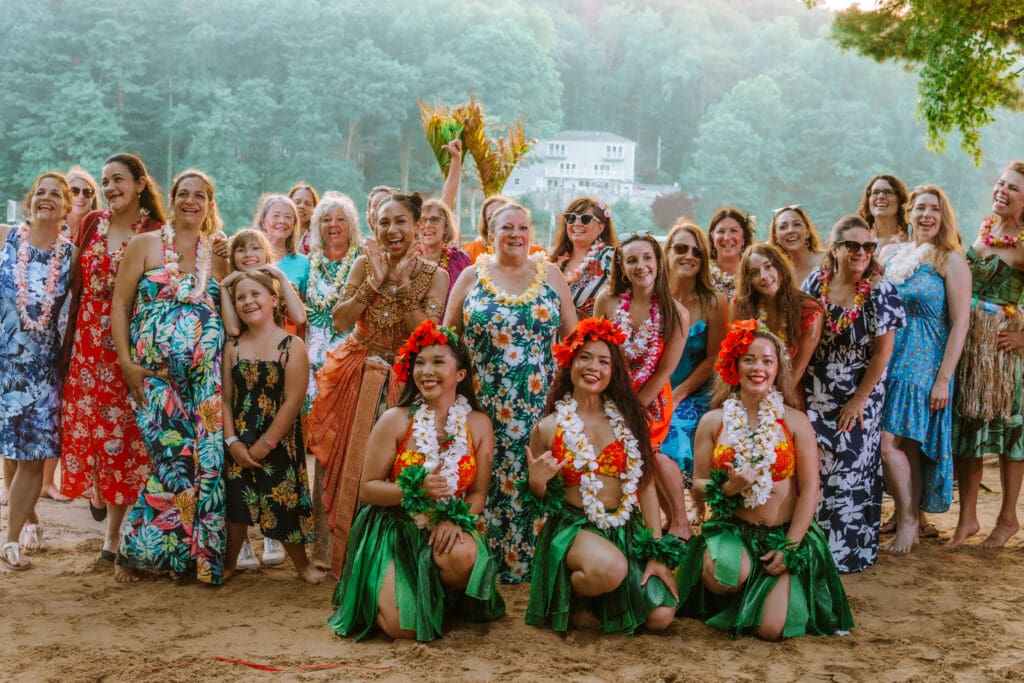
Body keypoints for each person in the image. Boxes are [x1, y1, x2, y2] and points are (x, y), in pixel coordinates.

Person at [327, 320, 504, 641]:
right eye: (419, 363)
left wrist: (457, 520)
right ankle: (388, 595)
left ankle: (440, 599)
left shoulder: (478, 424)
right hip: (393, 527)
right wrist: (413, 490)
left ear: (460, 374)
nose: (426, 371)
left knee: (462, 554)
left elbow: (478, 493)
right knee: (402, 629)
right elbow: (368, 490)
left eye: (438, 362)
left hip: (446, 522)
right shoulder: (395, 420)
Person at [676, 321, 853, 640]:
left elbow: (811, 489)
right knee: (723, 577)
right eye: (749, 359)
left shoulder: (796, 421)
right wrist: (727, 488)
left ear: (777, 369)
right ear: (734, 365)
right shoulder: (713, 422)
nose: (758, 367)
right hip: (734, 530)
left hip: (782, 535)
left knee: (771, 631)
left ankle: (763, 589)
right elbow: (698, 485)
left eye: (767, 361)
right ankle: (740, 578)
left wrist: (791, 545)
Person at [307, 191, 449, 576]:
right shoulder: (362, 265)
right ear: (374, 228)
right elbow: (339, 321)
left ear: (418, 226)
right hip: (357, 372)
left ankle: (391, 558)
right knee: (341, 458)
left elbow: (428, 335)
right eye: (384, 223)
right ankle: (339, 555)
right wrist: (375, 282)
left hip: (407, 380)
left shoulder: (437, 275)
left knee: (397, 466)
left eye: (400, 221)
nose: (392, 230)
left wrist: (402, 290)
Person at [444, 200, 576, 583]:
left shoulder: (550, 275)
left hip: (539, 404)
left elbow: (573, 341)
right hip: (484, 403)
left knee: (535, 477)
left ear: (531, 233)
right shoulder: (470, 276)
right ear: (489, 233)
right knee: (486, 478)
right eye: (506, 228)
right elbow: (448, 337)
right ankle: (483, 562)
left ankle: (539, 566)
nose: (515, 235)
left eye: (522, 227)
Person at [522, 317, 681, 634]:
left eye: (603, 361)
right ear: (570, 362)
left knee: (662, 615)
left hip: (623, 527)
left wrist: (656, 553)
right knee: (610, 568)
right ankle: (575, 594)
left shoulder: (628, 417)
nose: (593, 367)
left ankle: (604, 592)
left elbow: (646, 485)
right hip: (574, 528)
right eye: (585, 357)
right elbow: (538, 501)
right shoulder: (548, 427)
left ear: (613, 371)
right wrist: (537, 482)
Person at [111, 168, 229, 584]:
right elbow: (121, 305)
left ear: (209, 205)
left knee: (208, 464)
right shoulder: (145, 244)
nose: (191, 201)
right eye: (183, 194)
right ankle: (136, 550)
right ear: (173, 199)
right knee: (176, 461)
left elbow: (228, 310)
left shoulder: (216, 253)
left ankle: (190, 560)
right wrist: (126, 362)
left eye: (200, 196)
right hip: (153, 376)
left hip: (204, 379)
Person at [60, 153, 166, 568]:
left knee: (123, 437)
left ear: (140, 183)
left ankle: (113, 539)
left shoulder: (156, 231)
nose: (110, 188)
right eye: (105, 181)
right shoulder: (91, 223)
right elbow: (72, 281)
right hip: (86, 343)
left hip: (129, 345)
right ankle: (99, 492)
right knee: (87, 431)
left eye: (118, 179)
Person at [802, 216, 904, 573]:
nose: (861, 252)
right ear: (836, 248)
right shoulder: (817, 281)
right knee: (813, 465)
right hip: (815, 387)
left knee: (849, 468)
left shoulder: (880, 290)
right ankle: (809, 549)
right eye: (853, 246)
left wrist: (860, 399)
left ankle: (847, 554)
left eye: (868, 246)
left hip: (860, 389)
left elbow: (882, 354)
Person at [878, 185, 969, 554]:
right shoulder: (891, 253)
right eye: (921, 208)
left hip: (923, 361)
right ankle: (910, 521)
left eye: (935, 209)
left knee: (889, 445)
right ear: (909, 213)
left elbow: (960, 323)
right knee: (908, 447)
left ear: (944, 217)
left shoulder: (951, 259)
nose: (927, 215)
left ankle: (908, 521)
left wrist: (944, 379)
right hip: (889, 357)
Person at [221, 270, 323, 584]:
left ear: (273, 299)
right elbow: (225, 400)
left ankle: (302, 565)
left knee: (283, 502)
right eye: (240, 298)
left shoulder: (291, 345)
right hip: (239, 438)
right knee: (236, 505)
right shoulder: (232, 348)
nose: (248, 302)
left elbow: (293, 401)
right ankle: (228, 563)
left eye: (255, 295)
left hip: (278, 440)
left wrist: (266, 443)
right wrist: (232, 442)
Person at [0, 172, 74, 570]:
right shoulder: (5, 237)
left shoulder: (72, 255)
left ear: (65, 207)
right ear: (30, 202)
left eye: (55, 195)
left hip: (43, 371)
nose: (47, 199)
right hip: (2, 363)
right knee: (8, 451)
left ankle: (10, 541)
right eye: (40, 193)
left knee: (31, 458)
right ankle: (27, 521)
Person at [594, 232, 690, 538]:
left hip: (652, 401)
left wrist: (633, 408)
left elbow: (665, 370)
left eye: (647, 258)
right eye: (632, 260)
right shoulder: (606, 302)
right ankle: (619, 521)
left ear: (659, 263)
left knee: (648, 454)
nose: (641, 266)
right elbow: (597, 352)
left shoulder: (677, 312)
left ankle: (679, 523)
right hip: (611, 393)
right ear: (621, 267)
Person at [950, 161, 1024, 549]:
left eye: (1012, 187)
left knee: (1012, 434)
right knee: (967, 430)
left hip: (1002, 352)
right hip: (970, 345)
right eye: (1000, 183)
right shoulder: (985, 230)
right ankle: (967, 520)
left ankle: (1008, 517)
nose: (1002, 190)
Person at [661, 222, 729, 525]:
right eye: (680, 248)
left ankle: (692, 509)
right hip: (656, 387)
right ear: (667, 253)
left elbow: (715, 356)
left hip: (697, 389)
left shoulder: (714, 301)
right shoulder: (654, 297)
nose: (688, 256)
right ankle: (671, 512)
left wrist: (681, 392)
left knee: (675, 426)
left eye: (696, 251)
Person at [732, 242, 823, 403]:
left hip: (787, 394)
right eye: (754, 273)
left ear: (780, 267)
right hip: (746, 389)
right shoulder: (741, 306)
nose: (764, 276)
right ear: (748, 281)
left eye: (768, 267)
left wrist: (768, 403)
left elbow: (797, 370)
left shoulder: (809, 311)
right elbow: (734, 360)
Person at [303, 192, 361, 410]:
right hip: (312, 361)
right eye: (326, 219)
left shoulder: (362, 259)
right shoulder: (309, 262)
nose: (333, 225)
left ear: (351, 224)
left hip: (349, 360)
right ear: (318, 226)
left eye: (340, 219)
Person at [549, 196, 617, 318]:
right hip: (556, 336)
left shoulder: (609, 257)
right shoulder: (555, 260)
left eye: (586, 219)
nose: (577, 223)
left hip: (592, 335)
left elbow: (624, 300)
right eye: (571, 218)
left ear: (601, 227)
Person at [253, 193, 309, 297]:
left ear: (294, 225)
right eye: (276, 216)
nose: (282, 221)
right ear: (263, 222)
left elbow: (302, 305)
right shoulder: (250, 257)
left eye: (288, 217)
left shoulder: (303, 262)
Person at [418, 198, 470, 295]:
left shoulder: (459, 260)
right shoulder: (409, 261)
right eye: (423, 220)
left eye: (435, 219)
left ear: (445, 227)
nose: (428, 225)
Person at [768, 205, 824, 287]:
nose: (790, 230)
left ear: (808, 232)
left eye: (796, 224)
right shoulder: (777, 275)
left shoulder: (829, 260)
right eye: (783, 227)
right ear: (776, 238)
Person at [707, 207, 754, 301]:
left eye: (734, 231)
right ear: (712, 237)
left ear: (744, 237)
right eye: (721, 231)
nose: (727, 237)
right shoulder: (702, 272)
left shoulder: (754, 272)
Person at [859, 174, 910, 251]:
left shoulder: (913, 238)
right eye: (875, 192)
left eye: (887, 192)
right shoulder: (859, 239)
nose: (880, 196)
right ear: (868, 200)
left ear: (900, 200)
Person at [65, 165, 102, 241]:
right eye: (74, 191)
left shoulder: (102, 228)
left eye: (87, 192)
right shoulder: (51, 225)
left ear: (93, 197)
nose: (81, 196)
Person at [288, 182, 319, 255]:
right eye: (297, 202)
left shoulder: (319, 236)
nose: (302, 206)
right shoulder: (277, 231)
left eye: (307, 204)